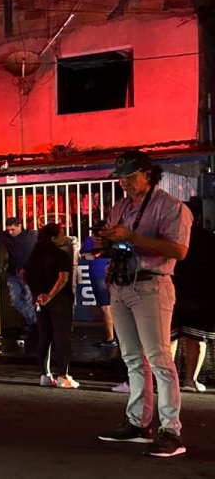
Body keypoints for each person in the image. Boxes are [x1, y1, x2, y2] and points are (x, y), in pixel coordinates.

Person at [95, 151, 192, 458]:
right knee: (134, 358)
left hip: (151, 284)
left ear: (148, 174)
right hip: (122, 284)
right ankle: (138, 423)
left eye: (129, 177)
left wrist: (132, 237)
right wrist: (106, 242)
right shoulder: (121, 206)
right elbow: (116, 241)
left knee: (159, 358)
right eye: (120, 178)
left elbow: (179, 250)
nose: (124, 184)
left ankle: (170, 430)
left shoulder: (171, 207)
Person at [22, 223, 78, 389]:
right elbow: (63, 279)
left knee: (44, 337)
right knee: (62, 337)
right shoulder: (62, 255)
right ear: (53, 239)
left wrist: (37, 293)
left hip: (39, 300)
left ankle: (45, 374)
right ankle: (63, 375)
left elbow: (23, 274)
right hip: (59, 300)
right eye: (62, 235)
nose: (65, 237)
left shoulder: (35, 255)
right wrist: (50, 295)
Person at [171, 202, 213, 393]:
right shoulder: (207, 238)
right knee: (196, 338)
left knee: (169, 338)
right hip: (200, 295)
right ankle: (190, 380)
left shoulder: (169, 236)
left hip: (172, 292)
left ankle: (168, 381)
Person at [0, 216, 37, 335]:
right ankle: (34, 322)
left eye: (12, 229)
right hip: (14, 273)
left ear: (19, 226)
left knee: (28, 299)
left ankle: (30, 324)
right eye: (8, 230)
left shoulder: (32, 235)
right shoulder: (4, 236)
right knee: (15, 300)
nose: (10, 232)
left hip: (29, 273)